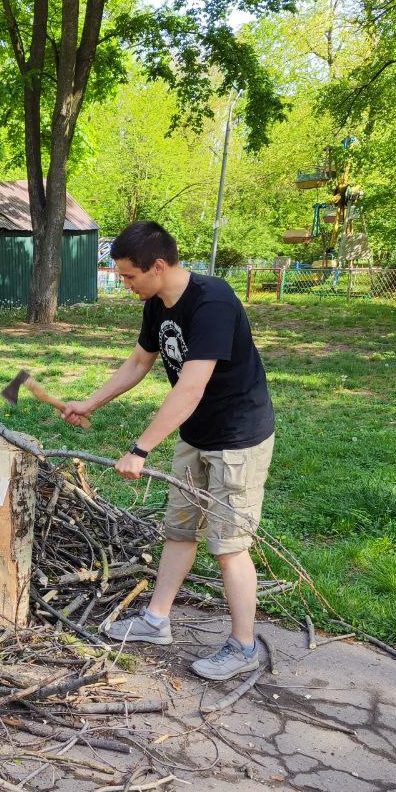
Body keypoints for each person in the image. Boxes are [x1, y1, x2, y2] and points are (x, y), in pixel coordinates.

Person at [62, 221, 275, 681]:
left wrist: (140, 449)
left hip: (237, 438)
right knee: (179, 530)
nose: (125, 285)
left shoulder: (213, 303)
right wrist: (90, 402)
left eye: (128, 277)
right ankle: (157, 621)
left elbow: (192, 386)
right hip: (195, 434)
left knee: (229, 546)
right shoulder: (157, 304)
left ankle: (243, 646)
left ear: (157, 266)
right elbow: (141, 360)